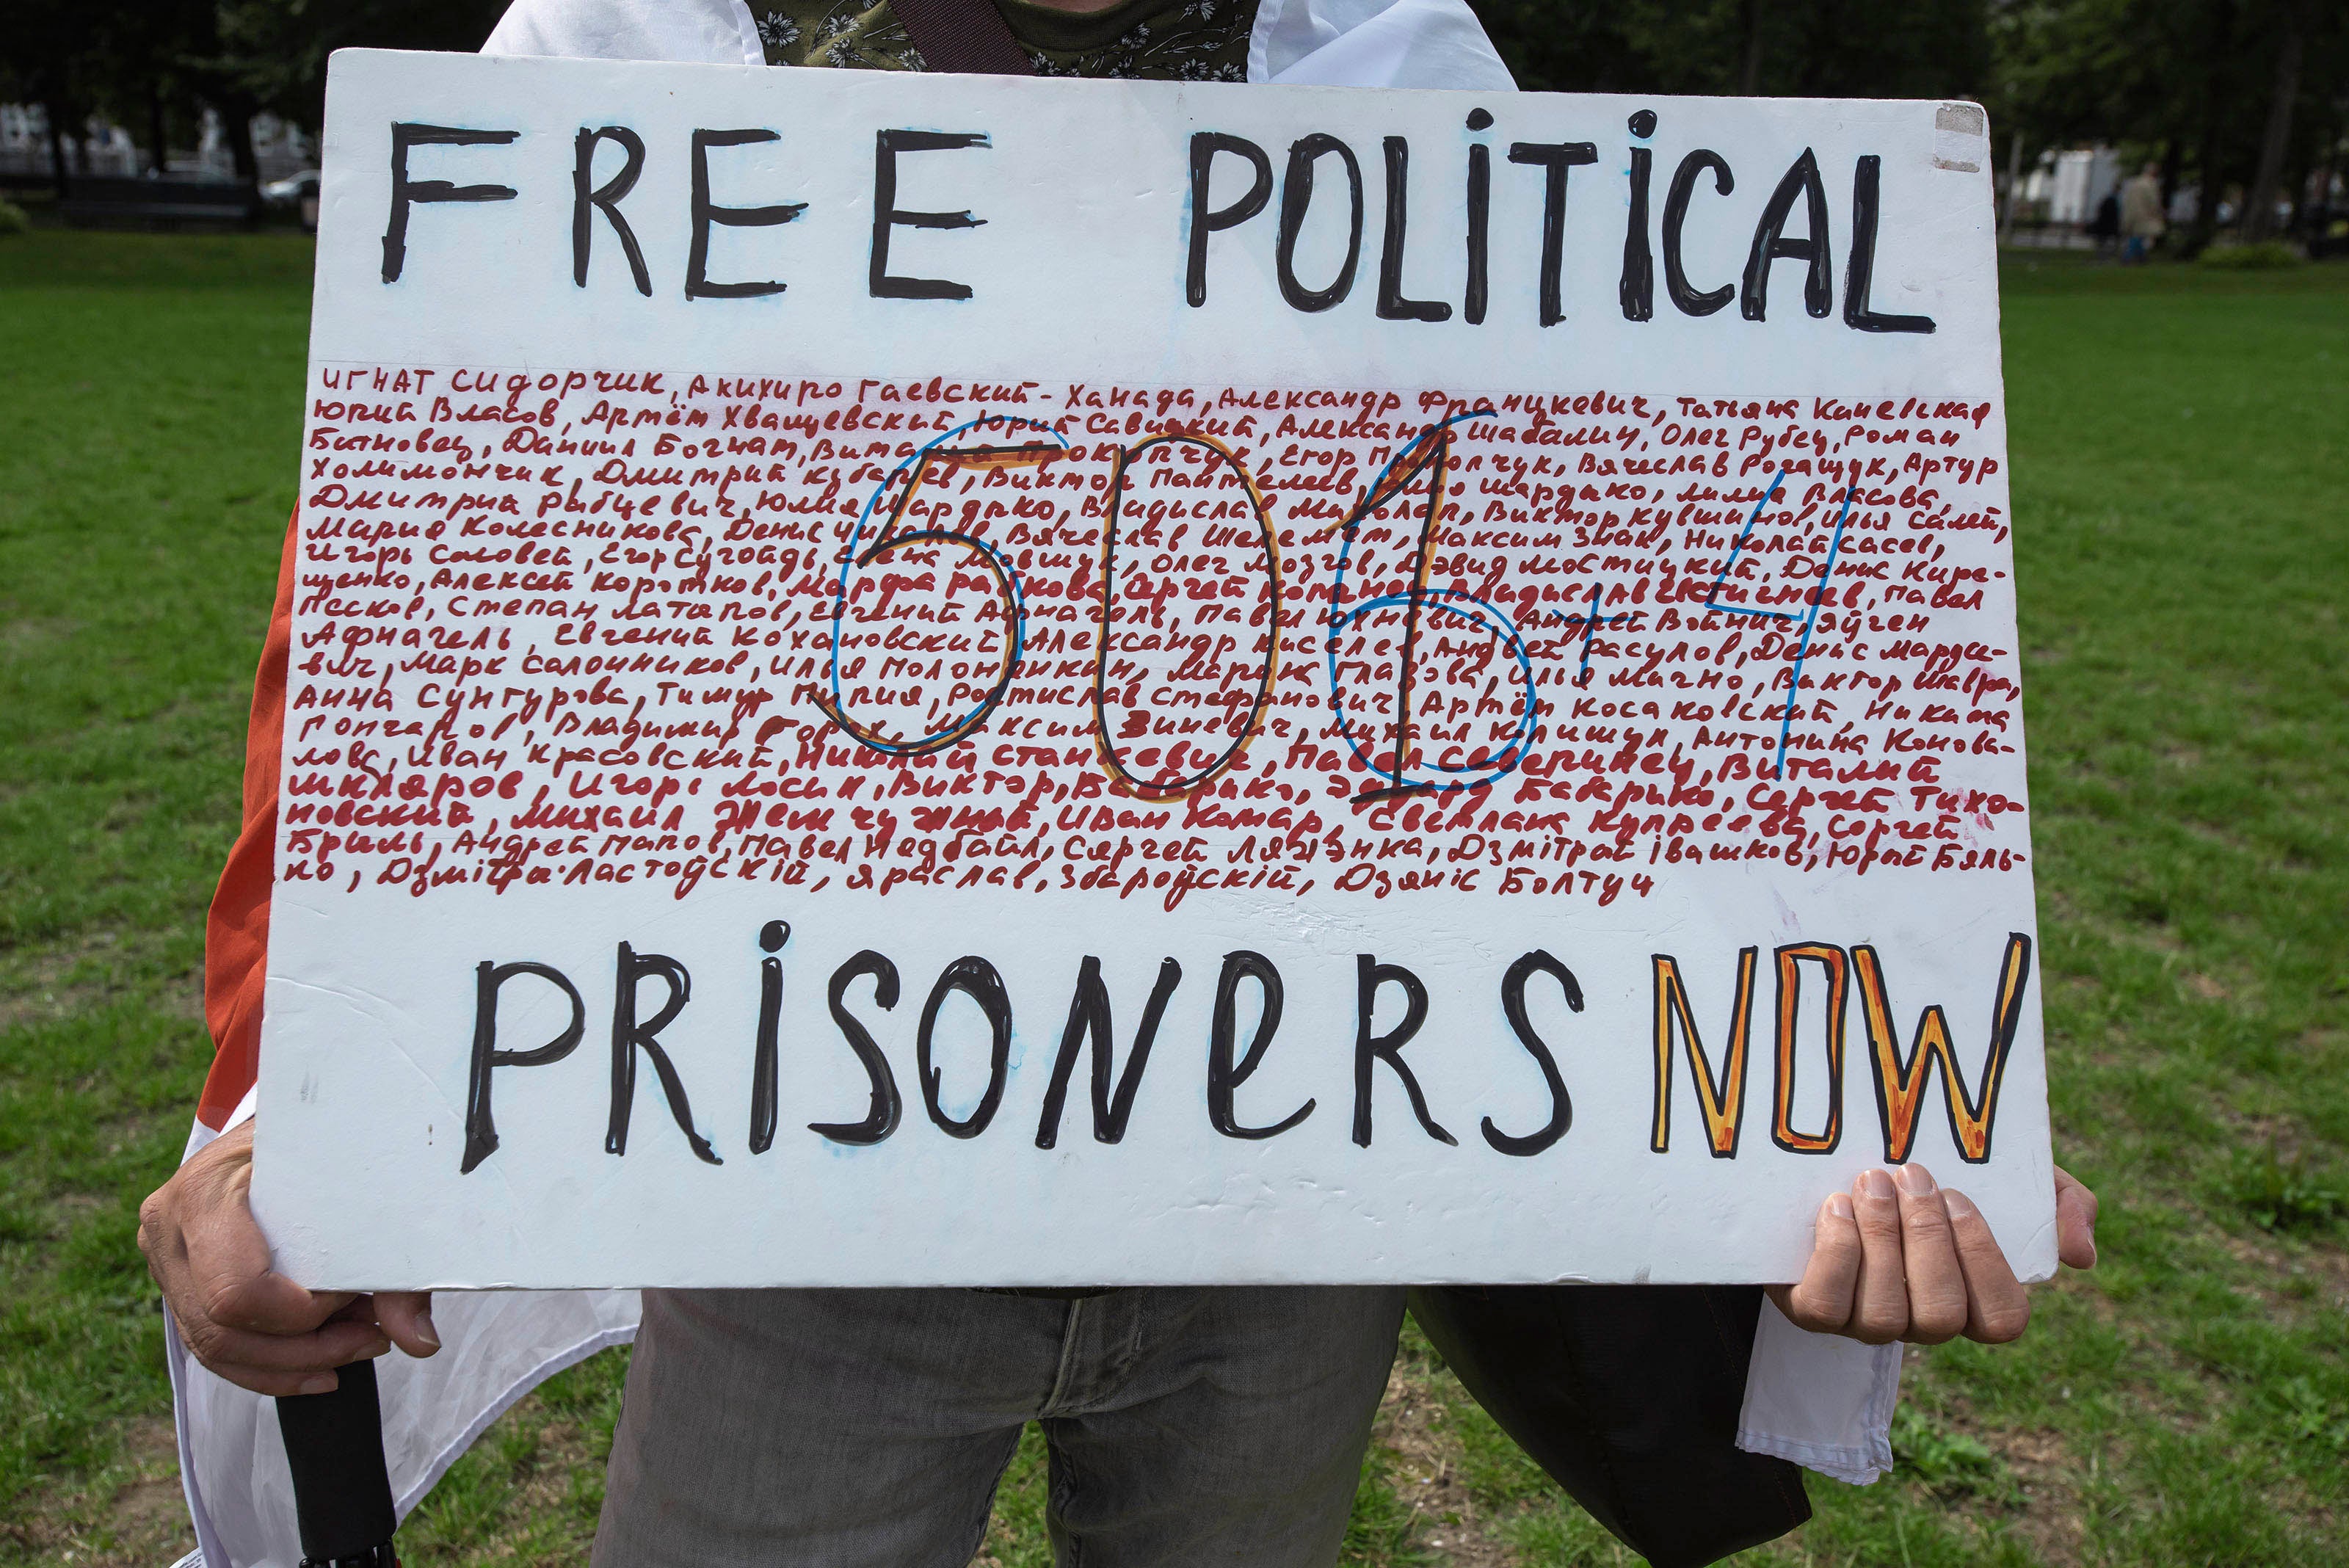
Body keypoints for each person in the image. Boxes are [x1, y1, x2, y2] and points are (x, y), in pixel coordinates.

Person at [138, 2, 2103, 1563]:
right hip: (808, 1193)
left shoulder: (1403, 74)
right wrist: (268, 1104)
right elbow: (410, 634)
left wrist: (1879, 1096)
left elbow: (1640, 661)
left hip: (1278, 1208)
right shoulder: (640, 68)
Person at [2121, 161, 2165, 263]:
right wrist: (2159, 211)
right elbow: (2153, 201)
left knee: (2138, 235)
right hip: (2145, 213)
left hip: (2133, 213)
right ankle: (2129, 257)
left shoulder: (2136, 182)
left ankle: (2141, 257)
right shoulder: (2150, 184)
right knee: (2139, 236)